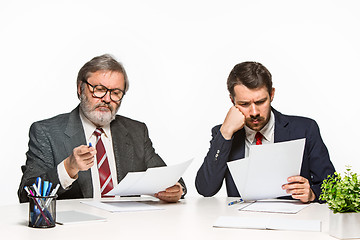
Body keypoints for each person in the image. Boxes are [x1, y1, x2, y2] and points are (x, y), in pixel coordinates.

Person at [18, 54, 186, 203]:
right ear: (80, 88)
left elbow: (171, 180)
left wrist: (176, 189)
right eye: (99, 90)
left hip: (126, 229)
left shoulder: (136, 131)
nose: (107, 99)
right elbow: (26, 195)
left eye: (116, 92)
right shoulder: (46, 132)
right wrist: (68, 168)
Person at [195, 61, 335, 203]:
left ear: (272, 94)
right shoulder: (225, 134)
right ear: (232, 100)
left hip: (292, 220)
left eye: (261, 102)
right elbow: (206, 189)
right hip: (240, 220)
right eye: (244, 104)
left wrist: (312, 193)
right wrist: (225, 133)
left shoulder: (305, 129)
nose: (254, 112)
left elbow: (332, 187)